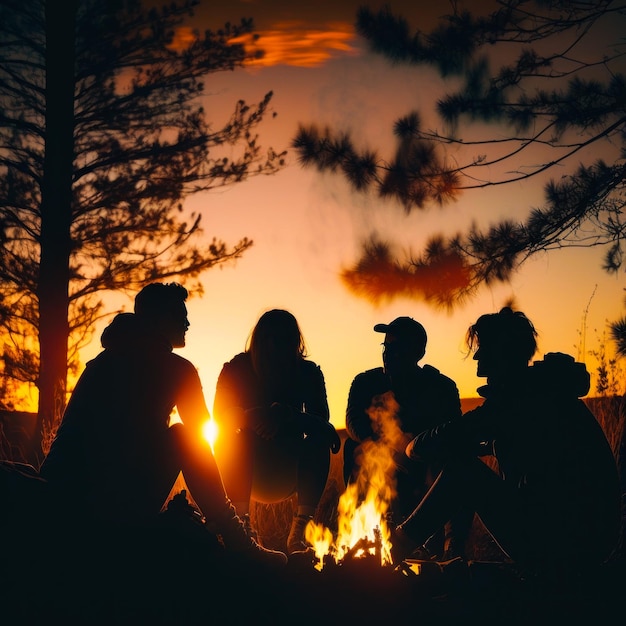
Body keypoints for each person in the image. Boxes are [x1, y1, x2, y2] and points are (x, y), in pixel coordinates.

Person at [40, 282, 287, 567]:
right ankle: (236, 538)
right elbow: (201, 432)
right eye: (180, 316)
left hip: (55, 499)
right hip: (106, 508)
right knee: (183, 436)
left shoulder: (102, 361)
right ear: (159, 320)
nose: (187, 323)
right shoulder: (178, 369)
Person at [392, 307, 622, 581]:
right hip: (584, 544)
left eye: (483, 347)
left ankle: (393, 548)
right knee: (462, 463)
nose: (476, 355)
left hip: (565, 548)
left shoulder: (517, 400)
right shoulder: (543, 393)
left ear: (502, 352)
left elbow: (424, 446)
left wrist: (417, 446)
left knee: (463, 472)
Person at [212, 308, 340, 556]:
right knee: (235, 437)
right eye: (268, 338)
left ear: (294, 342)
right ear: (258, 340)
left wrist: (286, 416)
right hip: (244, 472)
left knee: (319, 437)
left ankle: (302, 527)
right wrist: (253, 416)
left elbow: (322, 421)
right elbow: (219, 419)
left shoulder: (309, 372)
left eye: (282, 339)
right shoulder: (236, 367)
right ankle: (240, 522)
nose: (273, 346)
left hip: (290, 470)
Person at [343, 316, 472, 560]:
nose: (389, 355)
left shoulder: (440, 387)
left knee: (456, 460)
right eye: (386, 347)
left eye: (398, 349)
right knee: (355, 448)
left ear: (417, 353)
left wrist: (414, 449)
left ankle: (451, 547)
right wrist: (387, 449)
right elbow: (353, 423)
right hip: (381, 464)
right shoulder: (366, 382)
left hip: (426, 468)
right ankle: (361, 534)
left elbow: (452, 434)